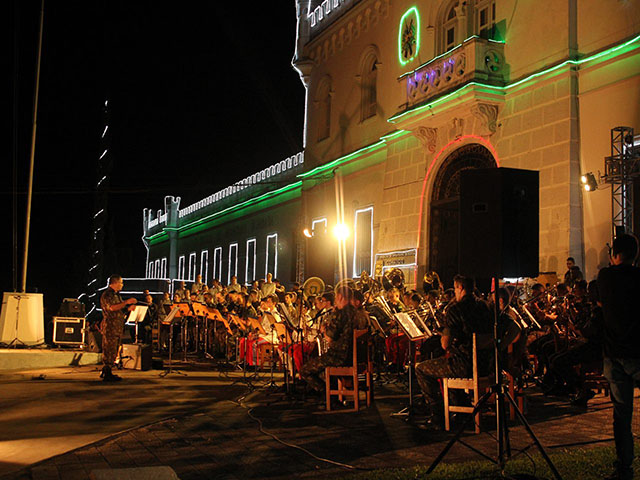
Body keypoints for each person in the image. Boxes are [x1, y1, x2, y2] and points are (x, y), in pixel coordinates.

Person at [414, 274, 492, 429]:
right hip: (488, 364)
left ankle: (437, 416)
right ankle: (462, 411)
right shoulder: (485, 306)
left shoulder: (455, 309)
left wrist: (444, 330)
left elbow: (445, 345)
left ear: (460, 288)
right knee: (446, 364)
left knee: (422, 369)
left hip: (465, 364)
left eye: (455, 288)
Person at [597, 234, 640, 480]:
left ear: (614, 254)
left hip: (614, 354)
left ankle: (624, 469)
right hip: (638, 351)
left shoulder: (604, 277)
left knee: (622, 416)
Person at [301, 286, 356, 393]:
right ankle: (336, 393)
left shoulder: (341, 314)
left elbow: (330, 337)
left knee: (305, 370)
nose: (335, 300)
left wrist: (323, 330)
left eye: (336, 297)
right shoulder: (357, 312)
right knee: (321, 372)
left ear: (340, 297)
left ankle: (329, 395)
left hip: (339, 357)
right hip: (355, 356)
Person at [99, 275, 137, 382]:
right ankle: (107, 372)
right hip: (110, 326)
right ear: (115, 283)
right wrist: (126, 302)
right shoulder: (107, 295)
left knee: (114, 348)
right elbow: (112, 308)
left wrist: (128, 308)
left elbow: (119, 310)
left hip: (118, 326)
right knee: (109, 348)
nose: (122, 285)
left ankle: (107, 370)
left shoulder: (117, 295)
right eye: (121, 283)